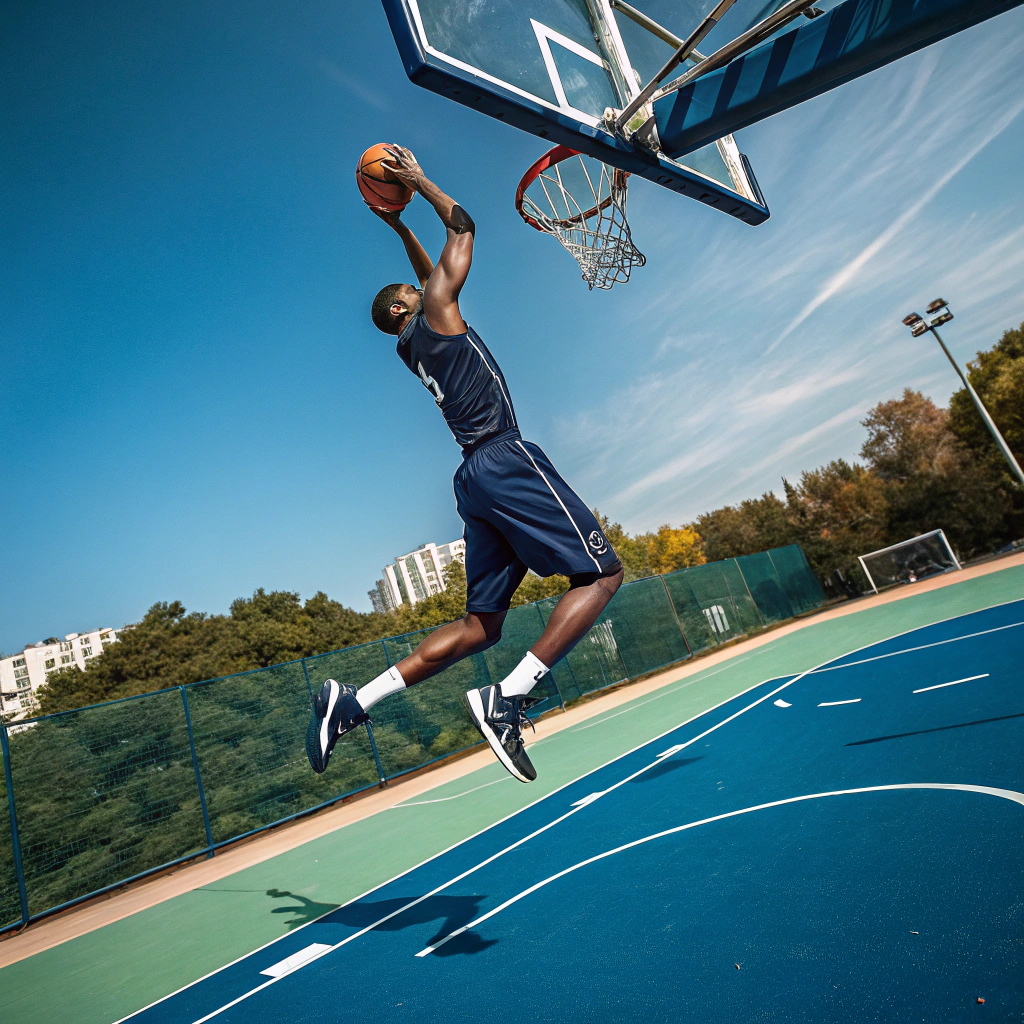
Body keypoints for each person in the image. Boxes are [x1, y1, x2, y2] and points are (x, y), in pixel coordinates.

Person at [306, 145, 623, 784]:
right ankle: (508, 699)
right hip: (505, 458)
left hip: (471, 479)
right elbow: (463, 227)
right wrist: (417, 181)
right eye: (415, 289)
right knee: (602, 575)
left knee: (482, 626)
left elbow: (426, 277)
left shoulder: (411, 344)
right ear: (408, 306)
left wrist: (396, 225)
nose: (427, 285)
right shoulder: (437, 314)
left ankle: (352, 703)